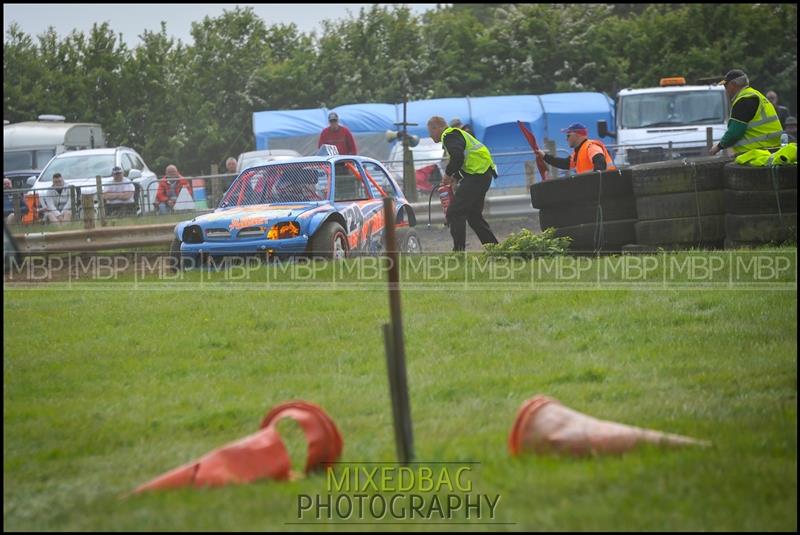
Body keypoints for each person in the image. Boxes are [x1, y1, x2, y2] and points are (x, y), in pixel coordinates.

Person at [427, 115, 498, 252]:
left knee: (454, 212)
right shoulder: (456, 135)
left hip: (478, 176)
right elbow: (465, 160)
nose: (430, 136)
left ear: (437, 127)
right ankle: (495, 249)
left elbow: (458, 157)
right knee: (473, 216)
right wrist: (457, 176)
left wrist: (448, 175)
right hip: (482, 174)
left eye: (430, 132)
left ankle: (458, 252)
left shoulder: (449, 135)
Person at [710, 70, 783, 156]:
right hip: (772, 149)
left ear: (734, 84)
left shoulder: (743, 100)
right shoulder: (756, 95)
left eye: (726, 85)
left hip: (755, 152)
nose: (725, 88)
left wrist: (718, 146)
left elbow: (734, 133)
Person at [535, 123, 616, 174]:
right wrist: (545, 156)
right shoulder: (578, 152)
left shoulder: (591, 147)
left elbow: (600, 163)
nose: (566, 139)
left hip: (605, 188)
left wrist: (593, 181)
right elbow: (565, 163)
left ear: (577, 135)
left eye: (568, 135)